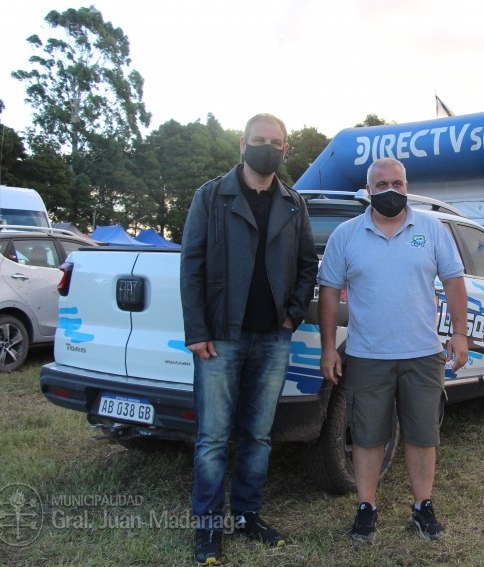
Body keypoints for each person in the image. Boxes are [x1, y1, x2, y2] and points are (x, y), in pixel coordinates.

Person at [180, 113, 318, 565]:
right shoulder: (211, 196)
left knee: (258, 436)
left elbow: (306, 266)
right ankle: (207, 528)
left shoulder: (294, 204)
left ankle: (246, 515)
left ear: (285, 149)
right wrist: (197, 330)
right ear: (243, 144)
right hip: (221, 336)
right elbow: (192, 266)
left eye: (275, 142)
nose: (267, 147)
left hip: (273, 339)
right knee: (213, 437)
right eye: (259, 140)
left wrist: (293, 316)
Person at [317, 156, 469, 542]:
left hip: (422, 353)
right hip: (368, 356)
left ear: (407, 186)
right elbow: (329, 293)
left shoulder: (431, 229)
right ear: (368, 191)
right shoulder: (346, 235)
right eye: (381, 185)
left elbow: (453, 281)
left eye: (397, 184)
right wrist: (328, 348)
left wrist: (460, 334)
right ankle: (366, 507)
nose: (390, 191)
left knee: (423, 435)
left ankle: (423, 507)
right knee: (368, 437)